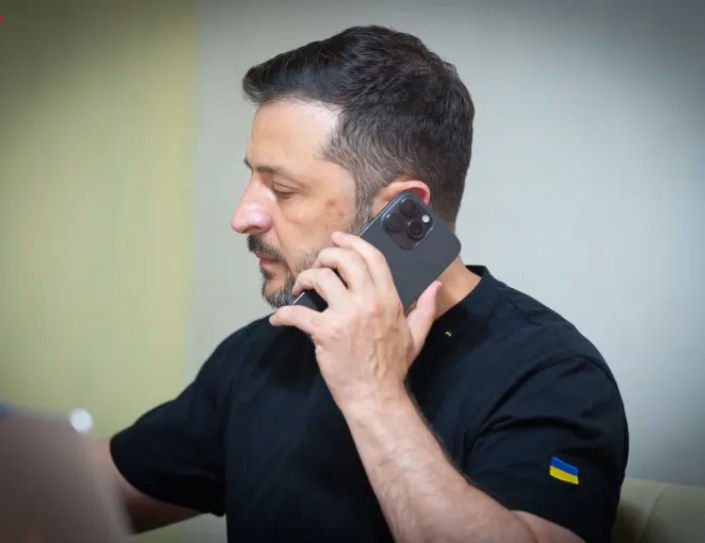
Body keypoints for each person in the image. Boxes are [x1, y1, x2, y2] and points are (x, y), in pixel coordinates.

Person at [99, 25, 628, 543]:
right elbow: (96, 493)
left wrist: (372, 393)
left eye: (282, 189)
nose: (243, 217)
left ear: (403, 212)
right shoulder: (267, 351)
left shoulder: (552, 374)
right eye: (252, 178)